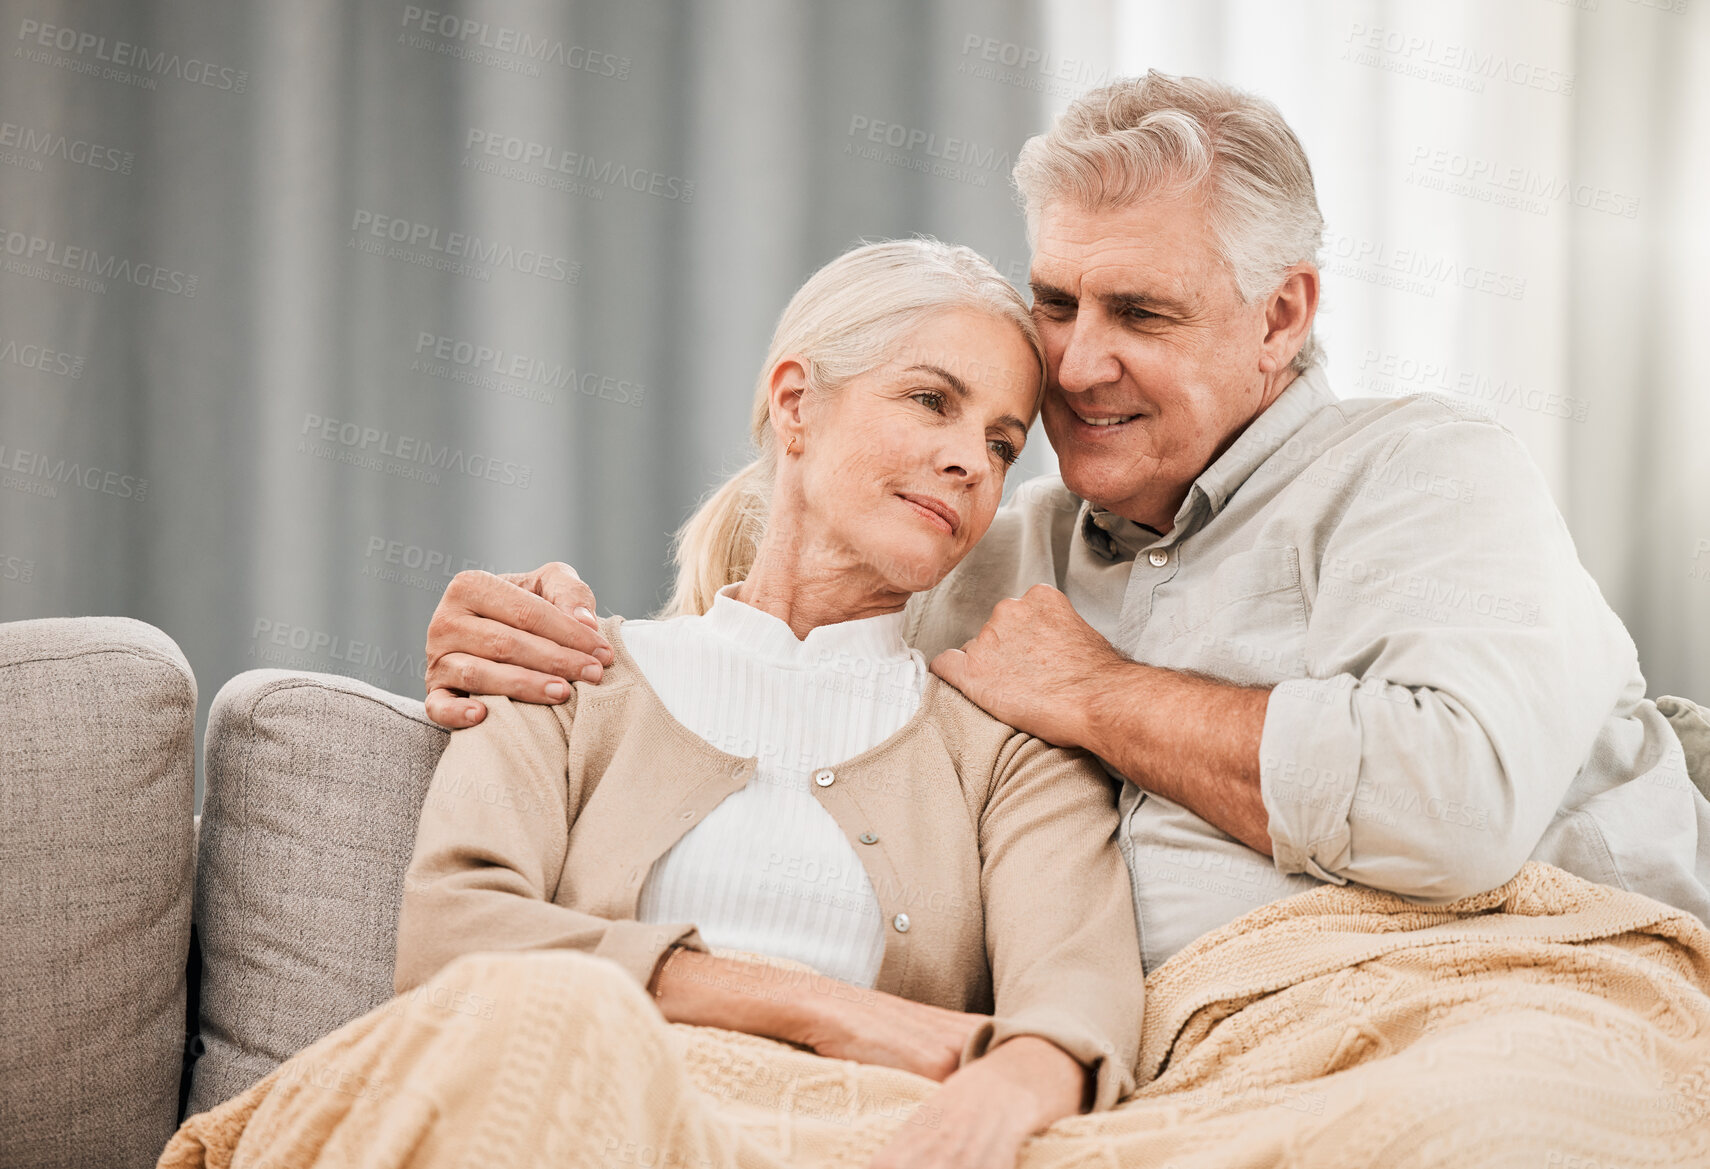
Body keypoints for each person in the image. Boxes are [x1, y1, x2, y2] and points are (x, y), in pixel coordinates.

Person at [422, 71, 1710, 980]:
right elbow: (765, 671)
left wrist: (1106, 697)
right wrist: (518, 646)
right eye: (1055, 301)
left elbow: (1453, 800)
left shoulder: (1422, 469)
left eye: (1139, 313)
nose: (1074, 368)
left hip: (1508, 980)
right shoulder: (989, 551)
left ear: (1282, 315)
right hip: (1181, 1069)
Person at [178, 239, 1143, 1169]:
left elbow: (1076, 1002)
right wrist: (824, 1008)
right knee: (560, 1013)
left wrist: (1006, 1083)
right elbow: (456, 938)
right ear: (796, 403)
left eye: (1003, 442)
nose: (972, 460)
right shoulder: (565, 670)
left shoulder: (1010, 750)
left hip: (847, 1139)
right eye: (932, 400)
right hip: (565, 1116)